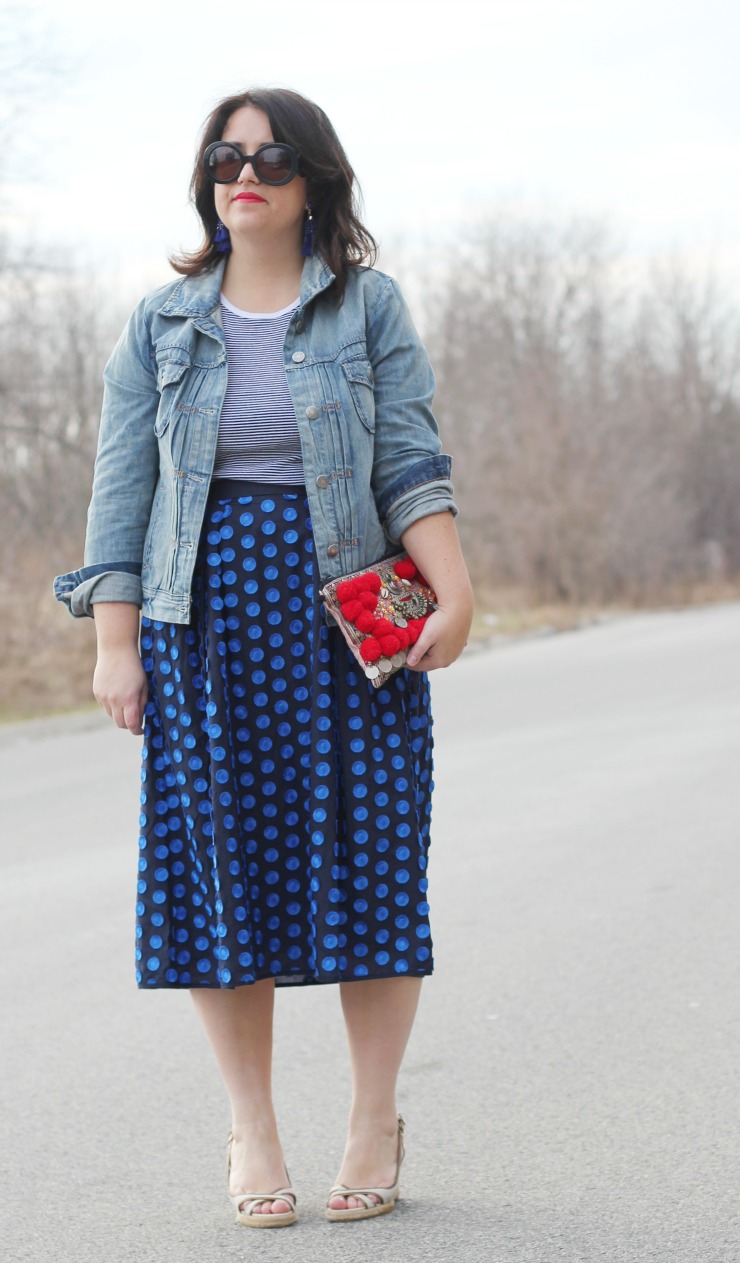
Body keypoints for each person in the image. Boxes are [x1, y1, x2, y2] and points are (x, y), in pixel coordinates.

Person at [53, 87, 474, 1227]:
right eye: (226, 156)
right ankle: (251, 1130)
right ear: (207, 179)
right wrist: (116, 645)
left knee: (372, 857)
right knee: (219, 876)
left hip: (353, 619)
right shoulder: (160, 323)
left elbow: (404, 454)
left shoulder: (366, 307)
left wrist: (456, 581)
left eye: (272, 156)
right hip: (203, 625)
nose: (247, 173)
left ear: (313, 181)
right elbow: (122, 493)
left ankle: (372, 1120)